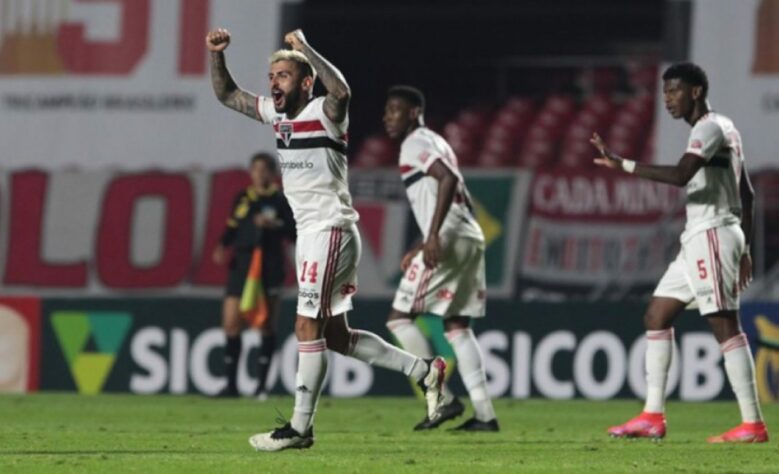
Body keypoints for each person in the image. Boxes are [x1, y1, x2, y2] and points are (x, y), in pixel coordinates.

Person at [206, 28, 447, 452]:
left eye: (283, 76)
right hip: (313, 235)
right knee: (335, 335)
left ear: (304, 82)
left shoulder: (325, 111)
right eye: (272, 75)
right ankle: (426, 371)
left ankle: (300, 428)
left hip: (329, 229)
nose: (273, 82)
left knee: (305, 325)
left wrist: (306, 49)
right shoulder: (277, 115)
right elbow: (228, 95)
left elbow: (343, 91)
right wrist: (216, 55)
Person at [591, 62, 768, 443]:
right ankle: (652, 415)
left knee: (724, 324)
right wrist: (748, 247)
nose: (667, 98)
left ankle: (752, 423)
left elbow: (681, 175)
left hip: (714, 234)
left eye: (674, 90)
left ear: (696, 92)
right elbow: (749, 194)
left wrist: (623, 163)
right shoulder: (723, 128)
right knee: (657, 314)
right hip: (700, 237)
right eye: (665, 91)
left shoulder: (709, 127)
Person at [382, 86, 498, 432]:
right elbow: (453, 191)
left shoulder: (414, 143)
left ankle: (443, 398)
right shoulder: (438, 141)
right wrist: (424, 241)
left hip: (447, 238)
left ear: (415, 111)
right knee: (458, 327)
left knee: (399, 319)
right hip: (469, 235)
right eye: (386, 111)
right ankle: (485, 415)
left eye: (395, 110)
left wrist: (433, 237)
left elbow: (446, 180)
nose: (388, 117)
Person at [213, 152, 295, 400]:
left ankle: (261, 387)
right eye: (255, 169)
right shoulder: (243, 198)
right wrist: (221, 245)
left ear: (272, 173)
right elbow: (232, 226)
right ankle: (231, 387)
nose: (259, 174)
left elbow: (294, 233)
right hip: (243, 265)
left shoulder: (281, 200)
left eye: (263, 170)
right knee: (231, 322)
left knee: (265, 324)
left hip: (269, 266)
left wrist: (275, 225)